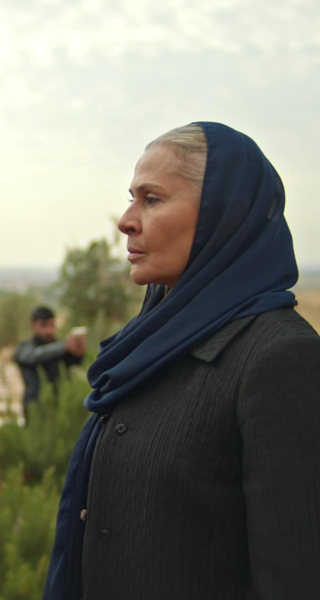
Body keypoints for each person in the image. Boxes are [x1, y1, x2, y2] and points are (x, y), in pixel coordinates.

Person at [43, 122, 320, 600]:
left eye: (151, 199)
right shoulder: (150, 346)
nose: (126, 221)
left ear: (224, 215)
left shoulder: (278, 356)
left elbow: (294, 574)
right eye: (132, 198)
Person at [13, 306, 85, 420]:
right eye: (43, 325)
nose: (48, 331)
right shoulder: (24, 347)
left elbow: (76, 362)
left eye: (51, 326)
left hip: (59, 410)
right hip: (34, 409)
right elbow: (33, 356)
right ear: (33, 326)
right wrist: (63, 346)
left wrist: (78, 350)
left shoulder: (61, 349)